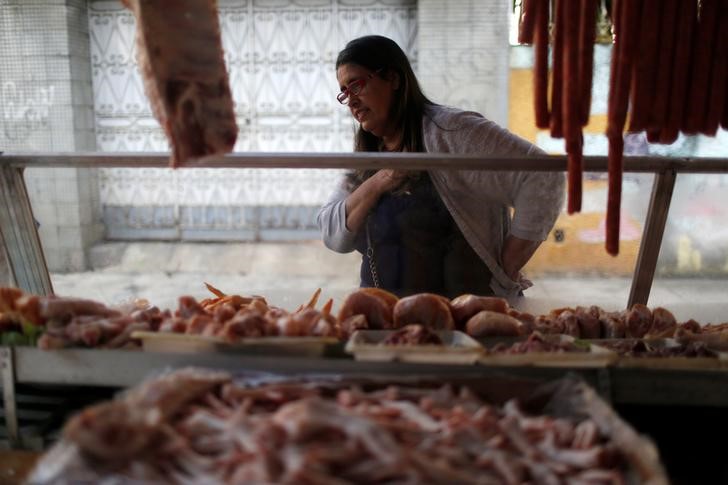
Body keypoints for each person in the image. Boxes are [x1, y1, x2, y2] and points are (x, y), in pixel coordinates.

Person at [316, 35, 564, 299]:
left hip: (463, 320)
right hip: (386, 321)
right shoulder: (368, 155)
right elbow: (332, 233)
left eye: (357, 85)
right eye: (344, 92)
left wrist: (510, 263)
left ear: (394, 79)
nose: (351, 100)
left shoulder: (450, 131)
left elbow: (544, 175)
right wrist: (380, 180)